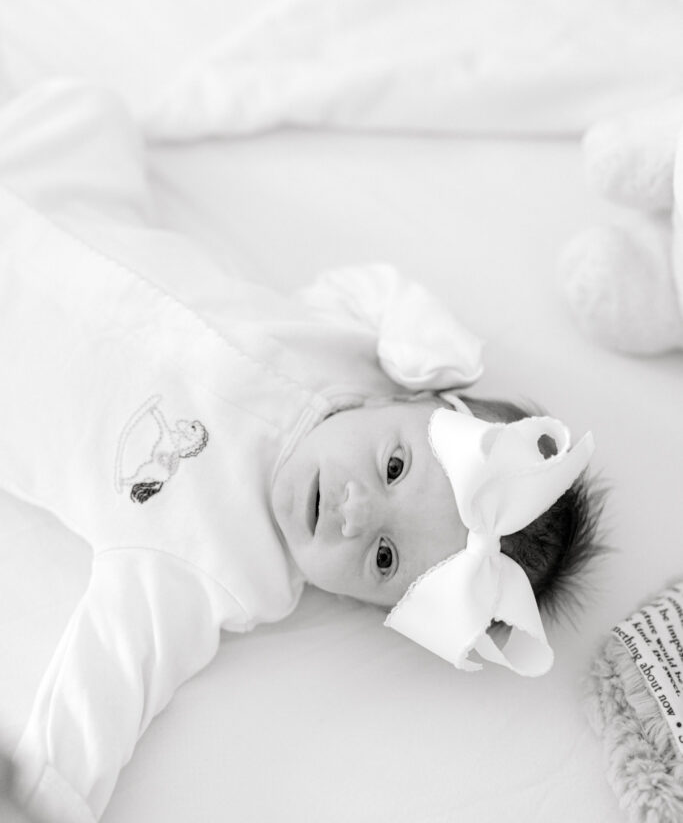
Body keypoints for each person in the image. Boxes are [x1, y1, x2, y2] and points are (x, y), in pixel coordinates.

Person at [0, 81, 603, 823]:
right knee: (92, 108)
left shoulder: (218, 566)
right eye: (393, 468)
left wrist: (40, 798)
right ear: (408, 400)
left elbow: (111, 675)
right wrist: (426, 346)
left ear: (363, 604)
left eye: (384, 558)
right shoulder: (346, 351)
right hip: (47, 191)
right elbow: (373, 288)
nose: (354, 513)